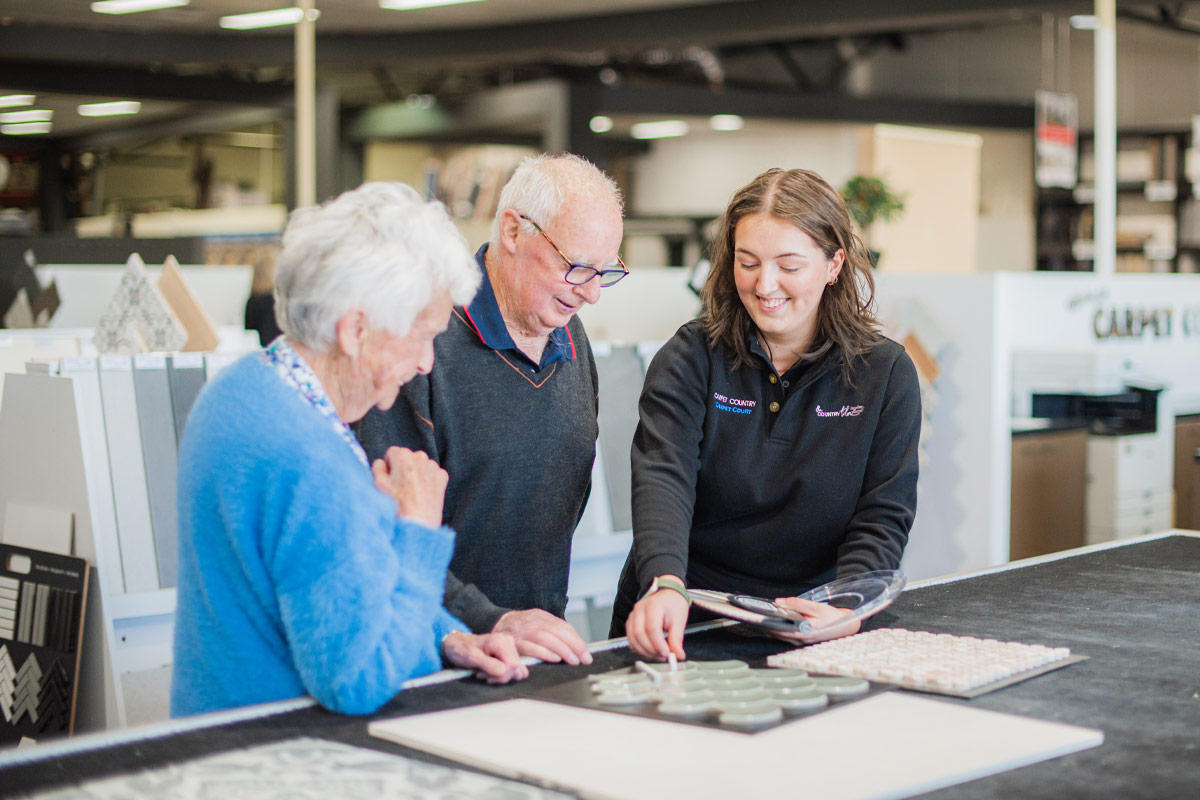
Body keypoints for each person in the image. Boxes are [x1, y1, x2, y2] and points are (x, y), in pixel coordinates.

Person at [172, 182, 528, 718]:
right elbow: (359, 679)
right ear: (356, 330)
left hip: (210, 733)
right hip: (282, 748)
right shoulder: (310, 458)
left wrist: (445, 635)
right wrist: (418, 531)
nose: (427, 362)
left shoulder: (241, 390)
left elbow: (341, 594)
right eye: (422, 336)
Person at [611, 167, 921, 660]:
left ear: (834, 264)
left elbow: (882, 514)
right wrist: (664, 581)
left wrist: (848, 607)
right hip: (687, 617)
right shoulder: (691, 357)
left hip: (816, 621)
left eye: (789, 266)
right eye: (748, 262)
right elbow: (663, 479)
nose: (764, 284)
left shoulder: (884, 374)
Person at [356, 154, 626, 668]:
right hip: (428, 653)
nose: (591, 293)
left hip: (533, 651)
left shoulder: (569, 333)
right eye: (577, 267)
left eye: (605, 272)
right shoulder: (423, 344)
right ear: (512, 231)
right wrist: (486, 619)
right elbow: (384, 528)